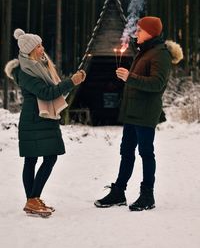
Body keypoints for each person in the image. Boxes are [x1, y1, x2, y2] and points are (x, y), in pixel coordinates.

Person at [94, 16, 183, 211]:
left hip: (145, 113)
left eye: (140, 30)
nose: (137, 33)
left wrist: (130, 77)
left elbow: (157, 84)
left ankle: (147, 195)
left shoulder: (161, 54)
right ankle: (118, 192)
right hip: (132, 112)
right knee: (126, 152)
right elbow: (138, 81)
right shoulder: (145, 52)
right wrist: (127, 79)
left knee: (145, 153)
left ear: (150, 32)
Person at [5, 28, 86, 218]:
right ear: (30, 50)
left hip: (44, 119)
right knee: (40, 159)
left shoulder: (40, 65)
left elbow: (55, 90)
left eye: (41, 45)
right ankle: (32, 200)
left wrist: (72, 82)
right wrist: (71, 82)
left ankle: (32, 200)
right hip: (34, 119)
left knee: (42, 159)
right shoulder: (24, 71)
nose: (42, 48)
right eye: (38, 46)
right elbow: (47, 93)